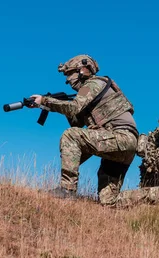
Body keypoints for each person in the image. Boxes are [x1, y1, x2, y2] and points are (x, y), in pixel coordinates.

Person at [28, 54, 139, 206]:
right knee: (109, 201)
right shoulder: (92, 91)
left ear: (83, 70)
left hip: (119, 137)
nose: (67, 80)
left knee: (71, 136)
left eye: (69, 74)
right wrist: (52, 104)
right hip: (125, 145)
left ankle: (67, 190)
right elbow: (77, 123)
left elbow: (74, 111)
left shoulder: (92, 84)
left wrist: (45, 100)